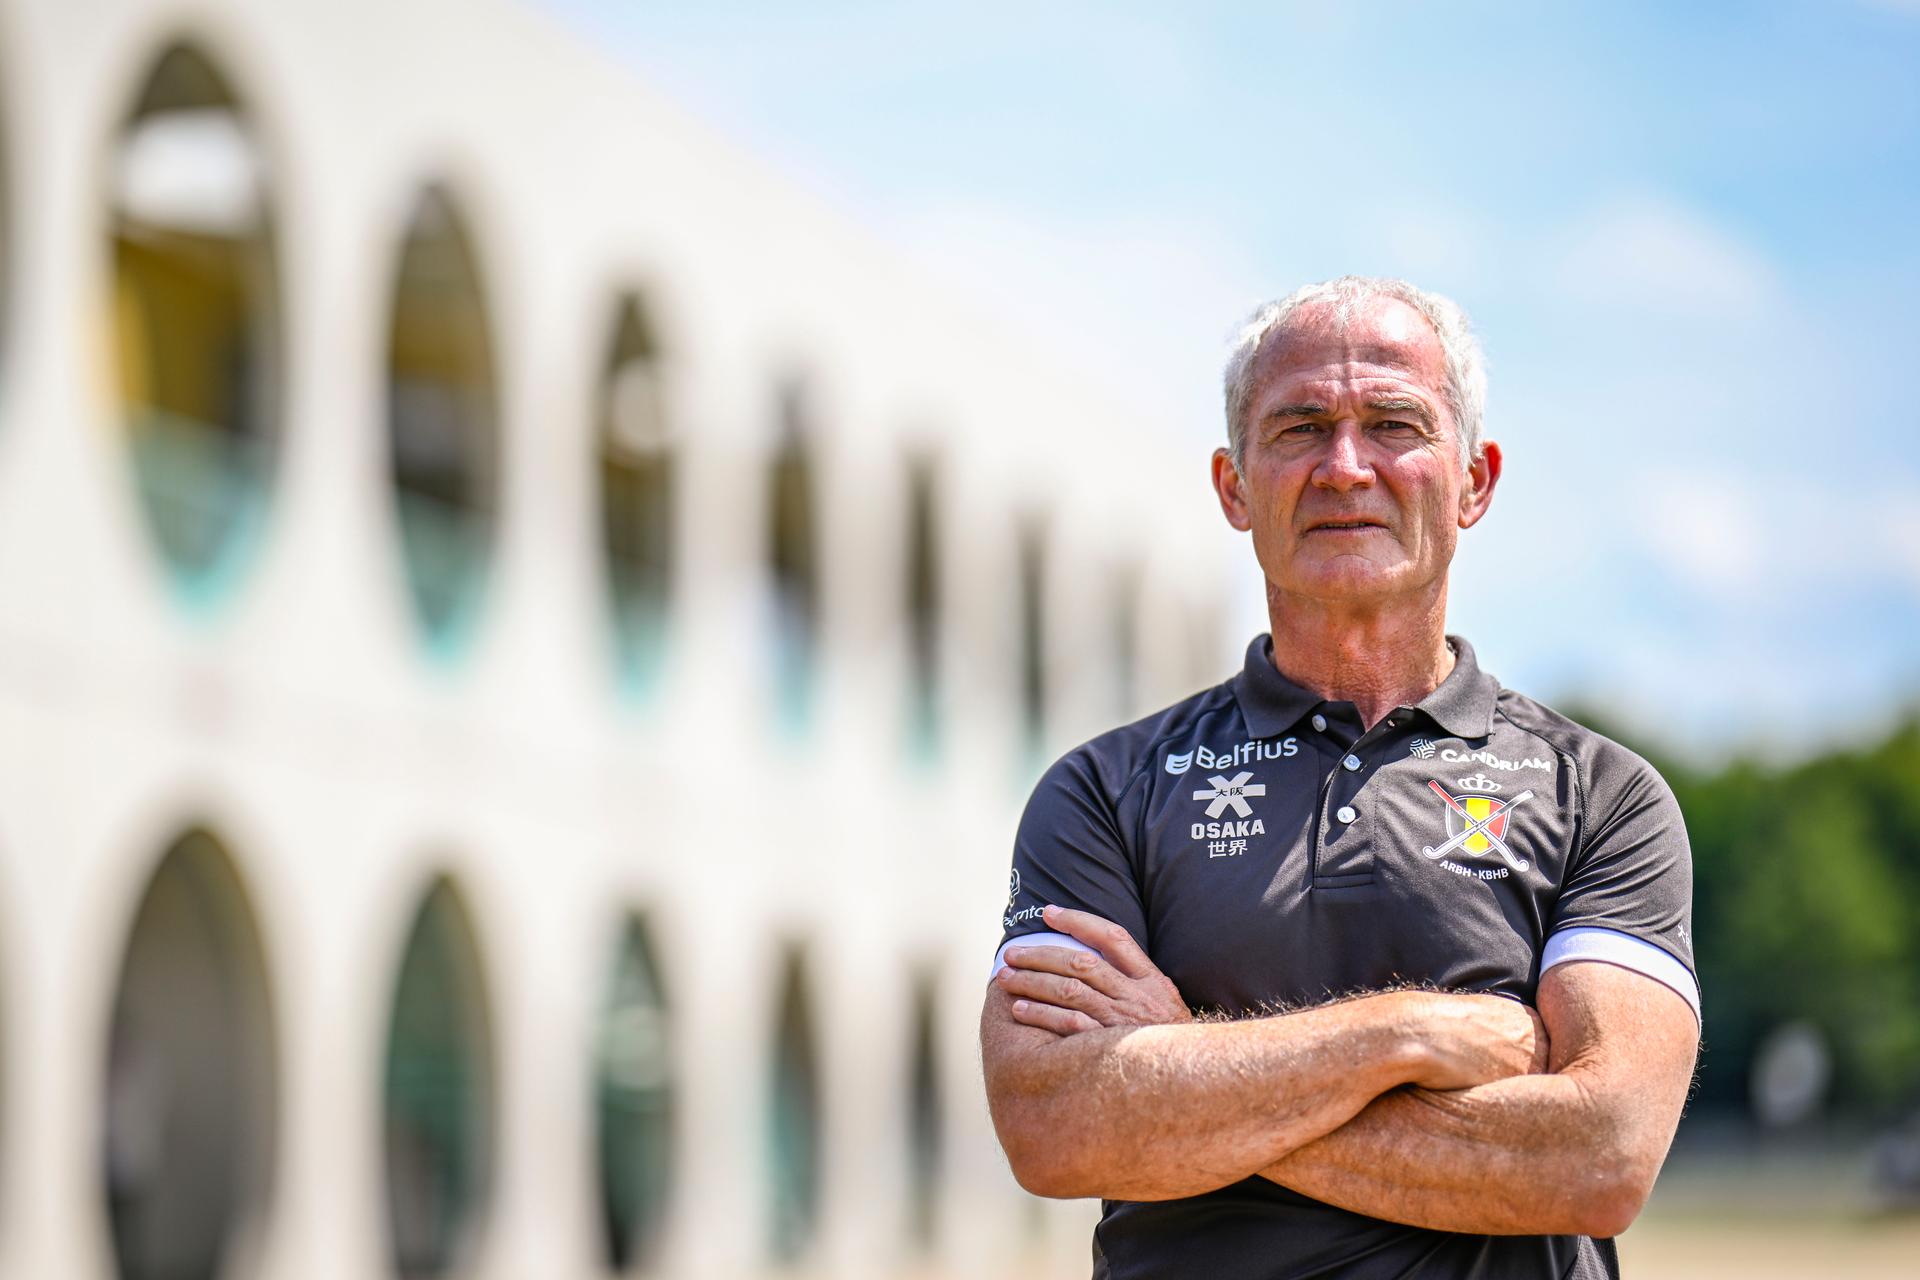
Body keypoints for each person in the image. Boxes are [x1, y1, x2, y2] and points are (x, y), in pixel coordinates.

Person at [979, 276, 1700, 1280]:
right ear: (1234, 486)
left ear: (1474, 481)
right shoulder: (1105, 789)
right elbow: (1053, 1125)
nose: (1346, 466)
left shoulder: (1602, 794)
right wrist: (1404, 1031)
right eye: (1301, 425)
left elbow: (1602, 1154)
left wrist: (1184, 1064)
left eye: (1394, 423)